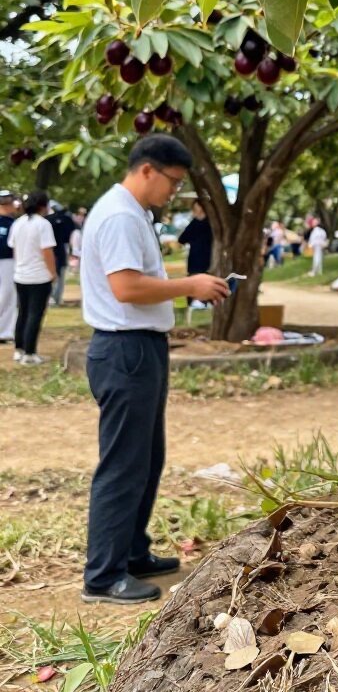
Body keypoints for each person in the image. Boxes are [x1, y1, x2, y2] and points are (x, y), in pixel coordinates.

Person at [80, 135, 229, 605]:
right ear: (148, 170)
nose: (173, 193)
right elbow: (125, 288)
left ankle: (131, 551)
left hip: (140, 347)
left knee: (145, 459)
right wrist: (191, 284)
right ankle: (103, 576)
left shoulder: (133, 213)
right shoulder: (121, 214)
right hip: (125, 350)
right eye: (173, 182)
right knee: (124, 464)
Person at [8, 190, 57, 365]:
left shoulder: (18, 223)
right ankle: (29, 353)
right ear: (43, 206)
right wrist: (53, 273)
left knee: (23, 312)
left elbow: (14, 248)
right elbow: (47, 252)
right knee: (34, 314)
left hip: (21, 275)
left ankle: (19, 349)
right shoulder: (43, 225)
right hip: (39, 277)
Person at [178, 201, 214, 308]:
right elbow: (182, 239)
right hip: (196, 260)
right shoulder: (194, 224)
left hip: (207, 259)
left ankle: (203, 302)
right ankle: (195, 302)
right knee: (195, 281)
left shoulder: (210, 224)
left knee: (206, 282)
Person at [48, 201, 78, 306]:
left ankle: (51, 298)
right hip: (60, 248)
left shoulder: (45, 220)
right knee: (59, 274)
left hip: (50, 248)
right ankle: (56, 298)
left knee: (51, 273)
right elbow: (71, 234)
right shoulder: (67, 219)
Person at [0, 192, 16, 346]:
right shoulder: (13, 223)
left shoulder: (13, 222)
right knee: (7, 296)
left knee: (7, 296)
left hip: (8, 260)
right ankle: (4, 331)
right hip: (7, 260)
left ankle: (5, 331)